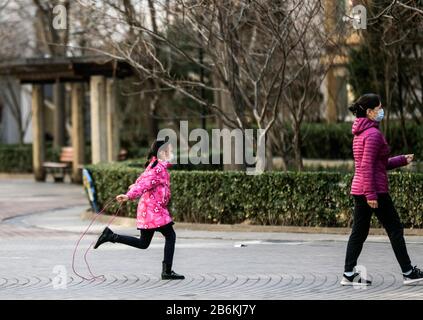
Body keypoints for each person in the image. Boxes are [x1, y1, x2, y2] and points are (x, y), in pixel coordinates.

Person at [341, 93, 423, 286]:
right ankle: (408, 272)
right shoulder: (373, 135)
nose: (381, 111)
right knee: (395, 229)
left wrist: (402, 159)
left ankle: (348, 273)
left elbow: (377, 164)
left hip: (361, 189)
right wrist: (371, 194)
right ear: (369, 112)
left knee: (359, 232)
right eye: (379, 108)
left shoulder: (360, 133)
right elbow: (368, 166)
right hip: (374, 190)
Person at [93, 139, 185, 280]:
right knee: (170, 236)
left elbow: (143, 179)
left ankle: (111, 236)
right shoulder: (158, 168)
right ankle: (167, 271)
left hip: (151, 209)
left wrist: (134, 186)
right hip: (153, 210)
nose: (172, 153)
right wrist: (129, 195)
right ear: (163, 152)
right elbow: (145, 182)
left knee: (143, 243)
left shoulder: (154, 165)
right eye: (170, 151)